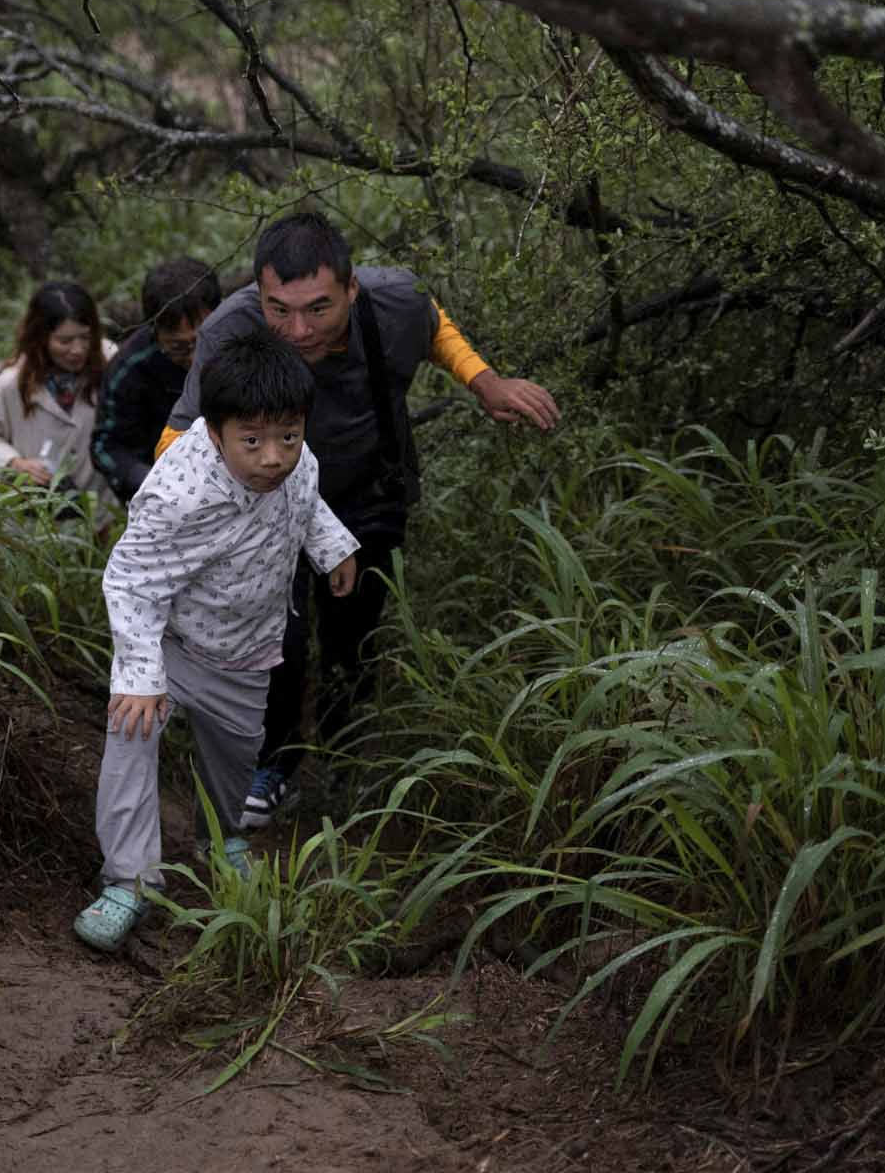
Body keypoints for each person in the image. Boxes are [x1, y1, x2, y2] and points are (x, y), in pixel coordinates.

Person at [156, 211, 559, 828]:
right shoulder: (232, 328)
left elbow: (433, 324)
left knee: (353, 636)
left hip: (369, 491)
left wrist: (484, 381)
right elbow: (180, 431)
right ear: (258, 294)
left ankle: (343, 758)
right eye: (279, 309)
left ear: (351, 289)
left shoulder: (393, 300)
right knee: (277, 639)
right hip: (266, 507)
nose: (297, 329)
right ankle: (276, 763)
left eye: (318, 309)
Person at [75, 330, 359, 953]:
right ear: (213, 432)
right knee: (130, 737)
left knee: (235, 760)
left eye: (288, 434)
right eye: (251, 441)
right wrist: (142, 676)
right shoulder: (180, 495)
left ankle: (222, 837)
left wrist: (332, 546)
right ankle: (127, 880)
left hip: (246, 650)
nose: (273, 457)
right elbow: (130, 580)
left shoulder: (297, 461)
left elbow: (306, 502)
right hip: (171, 648)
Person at [0, 281, 120, 506]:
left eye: (85, 337)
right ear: (40, 338)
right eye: (64, 341)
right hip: (31, 520)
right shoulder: (9, 383)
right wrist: (15, 463)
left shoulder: (111, 362)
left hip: (98, 512)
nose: (77, 350)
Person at [91, 257, 223, 503]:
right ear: (155, 330)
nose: (196, 358)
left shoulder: (246, 337)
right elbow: (106, 447)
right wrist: (151, 482)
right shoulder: (129, 368)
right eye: (179, 347)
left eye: (204, 341)